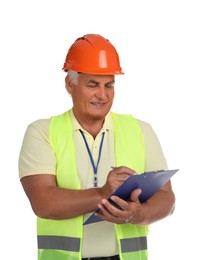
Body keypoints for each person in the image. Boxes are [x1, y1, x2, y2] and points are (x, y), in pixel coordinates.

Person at [18, 34, 175, 260]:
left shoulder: (140, 130)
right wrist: (102, 194)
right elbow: (44, 203)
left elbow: (167, 198)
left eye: (109, 85)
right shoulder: (42, 132)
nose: (102, 95)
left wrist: (138, 213)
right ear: (70, 84)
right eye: (93, 84)